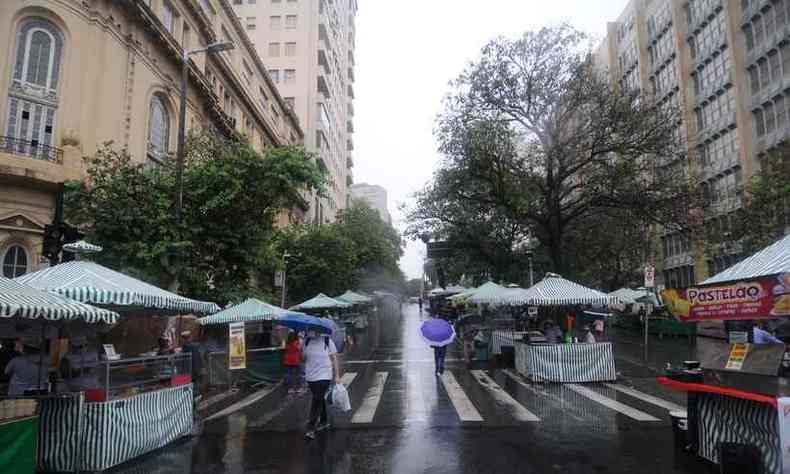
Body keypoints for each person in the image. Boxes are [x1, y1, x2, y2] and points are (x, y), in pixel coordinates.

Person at [302, 329, 341, 440]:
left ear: (319, 330)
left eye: (314, 329)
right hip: (311, 376)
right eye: (309, 329)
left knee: (316, 399)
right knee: (319, 398)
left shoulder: (327, 341)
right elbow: (303, 358)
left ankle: (310, 428)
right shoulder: (306, 341)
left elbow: (334, 358)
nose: (311, 331)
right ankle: (324, 421)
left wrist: (337, 375)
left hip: (324, 375)